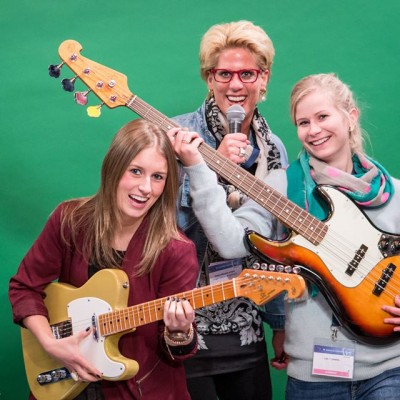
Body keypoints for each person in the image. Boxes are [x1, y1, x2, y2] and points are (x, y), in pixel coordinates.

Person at [169, 73, 400, 399]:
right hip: (314, 376)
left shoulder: (393, 193)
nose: (314, 130)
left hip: (388, 369)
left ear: (351, 117)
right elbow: (230, 242)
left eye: (323, 117)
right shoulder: (283, 187)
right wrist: (198, 169)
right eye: (303, 122)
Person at [9, 119, 199, 400]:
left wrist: (180, 332)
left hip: (137, 391)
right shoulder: (70, 220)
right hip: (66, 382)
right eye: (136, 171)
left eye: (158, 177)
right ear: (114, 168)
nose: (146, 188)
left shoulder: (176, 250)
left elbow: (176, 351)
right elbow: (25, 287)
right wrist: (50, 343)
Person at [171, 20, 289, 400]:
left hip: (245, 325)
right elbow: (164, 229)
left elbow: (275, 245)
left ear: (263, 79)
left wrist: (279, 323)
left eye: (246, 74)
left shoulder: (274, 150)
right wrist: (211, 169)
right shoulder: (176, 136)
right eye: (224, 74)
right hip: (184, 324)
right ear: (210, 79)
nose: (235, 85)